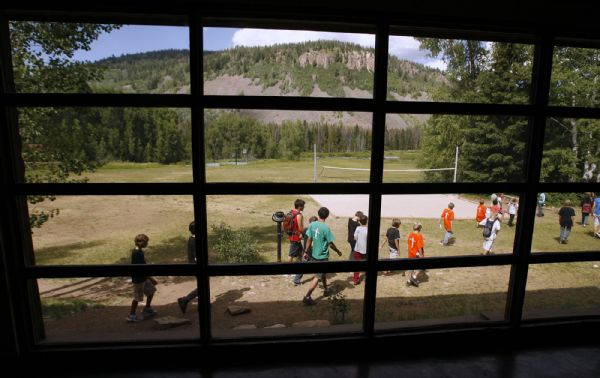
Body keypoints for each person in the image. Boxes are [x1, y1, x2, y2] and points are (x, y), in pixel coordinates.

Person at [301, 207, 342, 305]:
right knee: (317, 276)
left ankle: (326, 289)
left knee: (322, 273)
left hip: (314, 255)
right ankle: (307, 296)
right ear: (327, 216)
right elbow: (330, 244)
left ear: (318, 214)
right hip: (322, 256)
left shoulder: (312, 225)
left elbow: (309, 239)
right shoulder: (325, 228)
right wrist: (338, 251)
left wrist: (306, 251)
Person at [127, 234, 157, 322]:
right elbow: (140, 268)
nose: (147, 244)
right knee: (137, 297)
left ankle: (147, 308)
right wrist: (151, 278)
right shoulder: (136, 253)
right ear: (141, 243)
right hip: (138, 279)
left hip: (143, 278)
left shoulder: (139, 251)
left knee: (151, 291)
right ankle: (131, 315)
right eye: (146, 242)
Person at [292, 215, 318, 286]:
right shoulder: (316, 231)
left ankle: (296, 280)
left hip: (306, 251)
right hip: (313, 252)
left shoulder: (305, 229)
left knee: (303, 266)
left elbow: (300, 237)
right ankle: (318, 278)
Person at [178, 221, 197, 313]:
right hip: (196, 265)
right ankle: (185, 299)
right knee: (202, 285)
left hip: (192, 264)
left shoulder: (191, 239)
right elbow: (196, 256)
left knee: (202, 285)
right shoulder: (196, 240)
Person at [287, 199, 305, 284]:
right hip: (296, 238)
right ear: (300, 206)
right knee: (291, 254)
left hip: (292, 235)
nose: (304, 207)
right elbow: (300, 228)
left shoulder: (291, 212)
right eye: (303, 206)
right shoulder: (299, 215)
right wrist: (305, 230)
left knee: (301, 254)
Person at [406, 222, 425, 287]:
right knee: (421, 267)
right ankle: (413, 278)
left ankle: (408, 281)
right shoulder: (419, 236)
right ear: (420, 228)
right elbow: (419, 247)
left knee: (410, 268)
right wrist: (421, 255)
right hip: (417, 254)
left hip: (410, 253)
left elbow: (409, 243)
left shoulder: (411, 234)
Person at [352, 215, 368, 285]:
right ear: (366, 221)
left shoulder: (358, 228)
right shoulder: (368, 229)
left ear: (360, 222)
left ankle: (355, 280)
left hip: (358, 249)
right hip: (366, 250)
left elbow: (355, 237)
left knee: (357, 265)